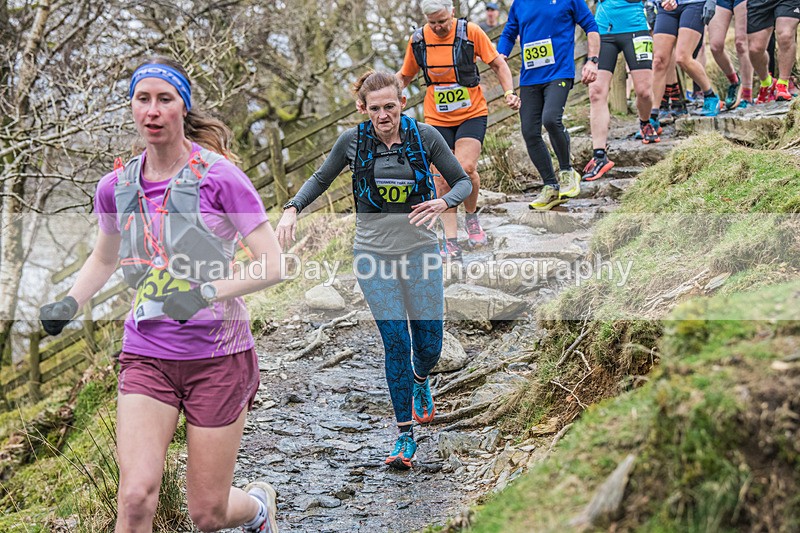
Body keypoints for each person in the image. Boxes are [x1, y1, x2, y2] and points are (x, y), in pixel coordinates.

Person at [38, 57, 282, 532]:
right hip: (147, 355)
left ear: (182, 108)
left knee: (207, 514)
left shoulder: (220, 178)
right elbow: (104, 259)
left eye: (164, 99)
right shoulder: (116, 187)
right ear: (132, 107)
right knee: (133, 499)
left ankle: (257, 510)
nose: (152, 110)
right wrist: (69, 303)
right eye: (142, 99)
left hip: (218, 357)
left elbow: (274, 265)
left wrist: (204, 294)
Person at [276, 70, 472, 470]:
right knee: (396, 341)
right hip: (372, 256)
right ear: (362, 109)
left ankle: (421, 380)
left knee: (429, 346)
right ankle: (404, 435)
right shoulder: (352, 141)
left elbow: (462, 182)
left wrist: (444, 202)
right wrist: (292, 208)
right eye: (375, 108)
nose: (384, 114)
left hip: (420, 251)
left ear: (402, 102)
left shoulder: (426, 137)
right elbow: (320, 178)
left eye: (390, 105)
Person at [397, 0, 520, 261]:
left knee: (466, 168)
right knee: (440, 177)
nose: (439, 27)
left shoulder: (471, 32)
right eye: (433, 23)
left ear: (452, 12)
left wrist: (509, 91)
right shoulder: (418, 40)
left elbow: (497, 63)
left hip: (471, 113)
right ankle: (450, 239)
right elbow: (405, 76)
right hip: (436, 117)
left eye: (443, 21)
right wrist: (383, 95)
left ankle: (472, 218)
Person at [497, 0, 600, 210]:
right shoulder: (520, 4)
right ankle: (550, 186)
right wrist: (501, 55)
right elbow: (508, 33)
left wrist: (592, 61)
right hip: (530, 78)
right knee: (529, 132)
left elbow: (591, 26)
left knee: (551, 119)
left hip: (559, 72)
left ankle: (567, 172)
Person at [584, 0, 660, 182]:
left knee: (644, 92)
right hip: (603, 29)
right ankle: (599, 155)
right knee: (596, 92)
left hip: (636, 27)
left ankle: (645, 122)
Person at [747, 0, 800, 102]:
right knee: (755, 49)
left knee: (786, 35)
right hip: (758, 3)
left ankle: (783, 83)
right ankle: (767, 83)